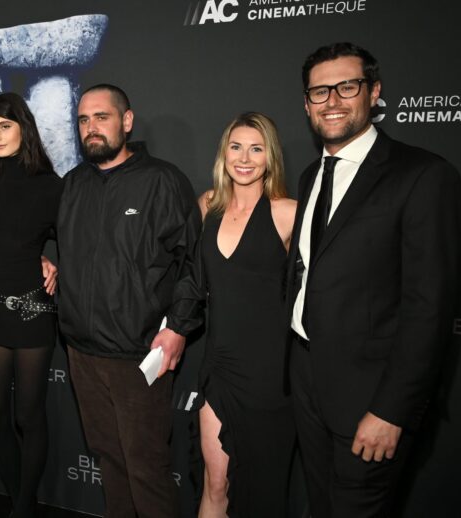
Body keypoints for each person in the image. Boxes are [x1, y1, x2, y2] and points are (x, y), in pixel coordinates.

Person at [287, 42, 461, 518]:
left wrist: (392, 410)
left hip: (371, 398)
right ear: (306, 103)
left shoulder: (424, 176)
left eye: (347, 86)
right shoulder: (310, 177)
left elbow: (428, 309)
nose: (332, 101)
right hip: (306, 383)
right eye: (319, 91)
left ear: (374, 92)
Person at [57, 84, 203, 518]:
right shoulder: (72, 184)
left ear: (126, 121)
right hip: (81, 352)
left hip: (139, 356)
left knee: (146, 469)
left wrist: (178, 327)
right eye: (83, 120)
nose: (91, 129)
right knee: (109, 460)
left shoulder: (162, 181)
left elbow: (195, 265)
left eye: (101, 117)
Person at [197, 113, 297, 518]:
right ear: (224, 153)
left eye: (257, 148)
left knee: (263, 488)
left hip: (270, 373)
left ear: (270, 158)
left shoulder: (288, 212)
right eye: (236, 147)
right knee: (215, 481)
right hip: (218, 363)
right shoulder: (207, 206)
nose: (245, 158)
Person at [0, 92, 62, 517]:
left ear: (23, 126)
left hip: (32, 310)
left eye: (4, 126)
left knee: (29, 417)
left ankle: (23, 509)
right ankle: (20, 499)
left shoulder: (51, 185)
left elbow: (76, 240)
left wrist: (54, 261)